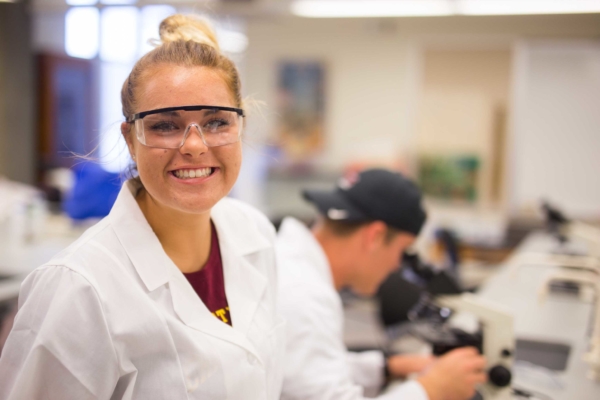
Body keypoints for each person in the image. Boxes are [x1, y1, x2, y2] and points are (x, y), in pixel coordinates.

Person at [0, 14, 284, 399]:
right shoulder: (77, 289)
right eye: (166, 125)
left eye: (217, 121)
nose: (195, 145)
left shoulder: (255, 234)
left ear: (240, 128)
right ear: (130, 139)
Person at [277, 168, 487, 400]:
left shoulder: (292, 268)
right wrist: (430, 390)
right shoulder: (304, 296)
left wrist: (388, 368)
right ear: (375, 236)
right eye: (402, 250)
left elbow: (307, 372)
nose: (398, 266)